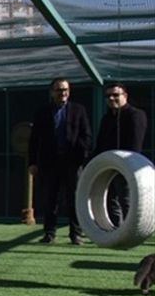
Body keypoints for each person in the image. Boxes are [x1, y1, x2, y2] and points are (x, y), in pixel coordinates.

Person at [28, 77, 92, 244]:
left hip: (73, 162)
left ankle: (75, 234)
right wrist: (32, 162)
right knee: (51, 199)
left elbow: (86, 135)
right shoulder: (42, 112)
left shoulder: (79, 110)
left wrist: (82, 155)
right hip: (50, 163)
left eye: (65, 90)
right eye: (59, 90)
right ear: (52, 92)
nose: (62, 93)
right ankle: (49, 234)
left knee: (75, 198)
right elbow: (34, 140)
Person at [94, 82, 148, 224]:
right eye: (108, 96)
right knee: (110, 199)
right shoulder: (107, 118)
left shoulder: (136, 115)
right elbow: (100, 144)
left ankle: (131, 231)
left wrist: (126, 166)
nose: (111, 98)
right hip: (108, 167)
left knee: (126, 200)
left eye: (115, 95)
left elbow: (135, 146)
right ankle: (116, 230)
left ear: (125, 96)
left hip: (127, 167)